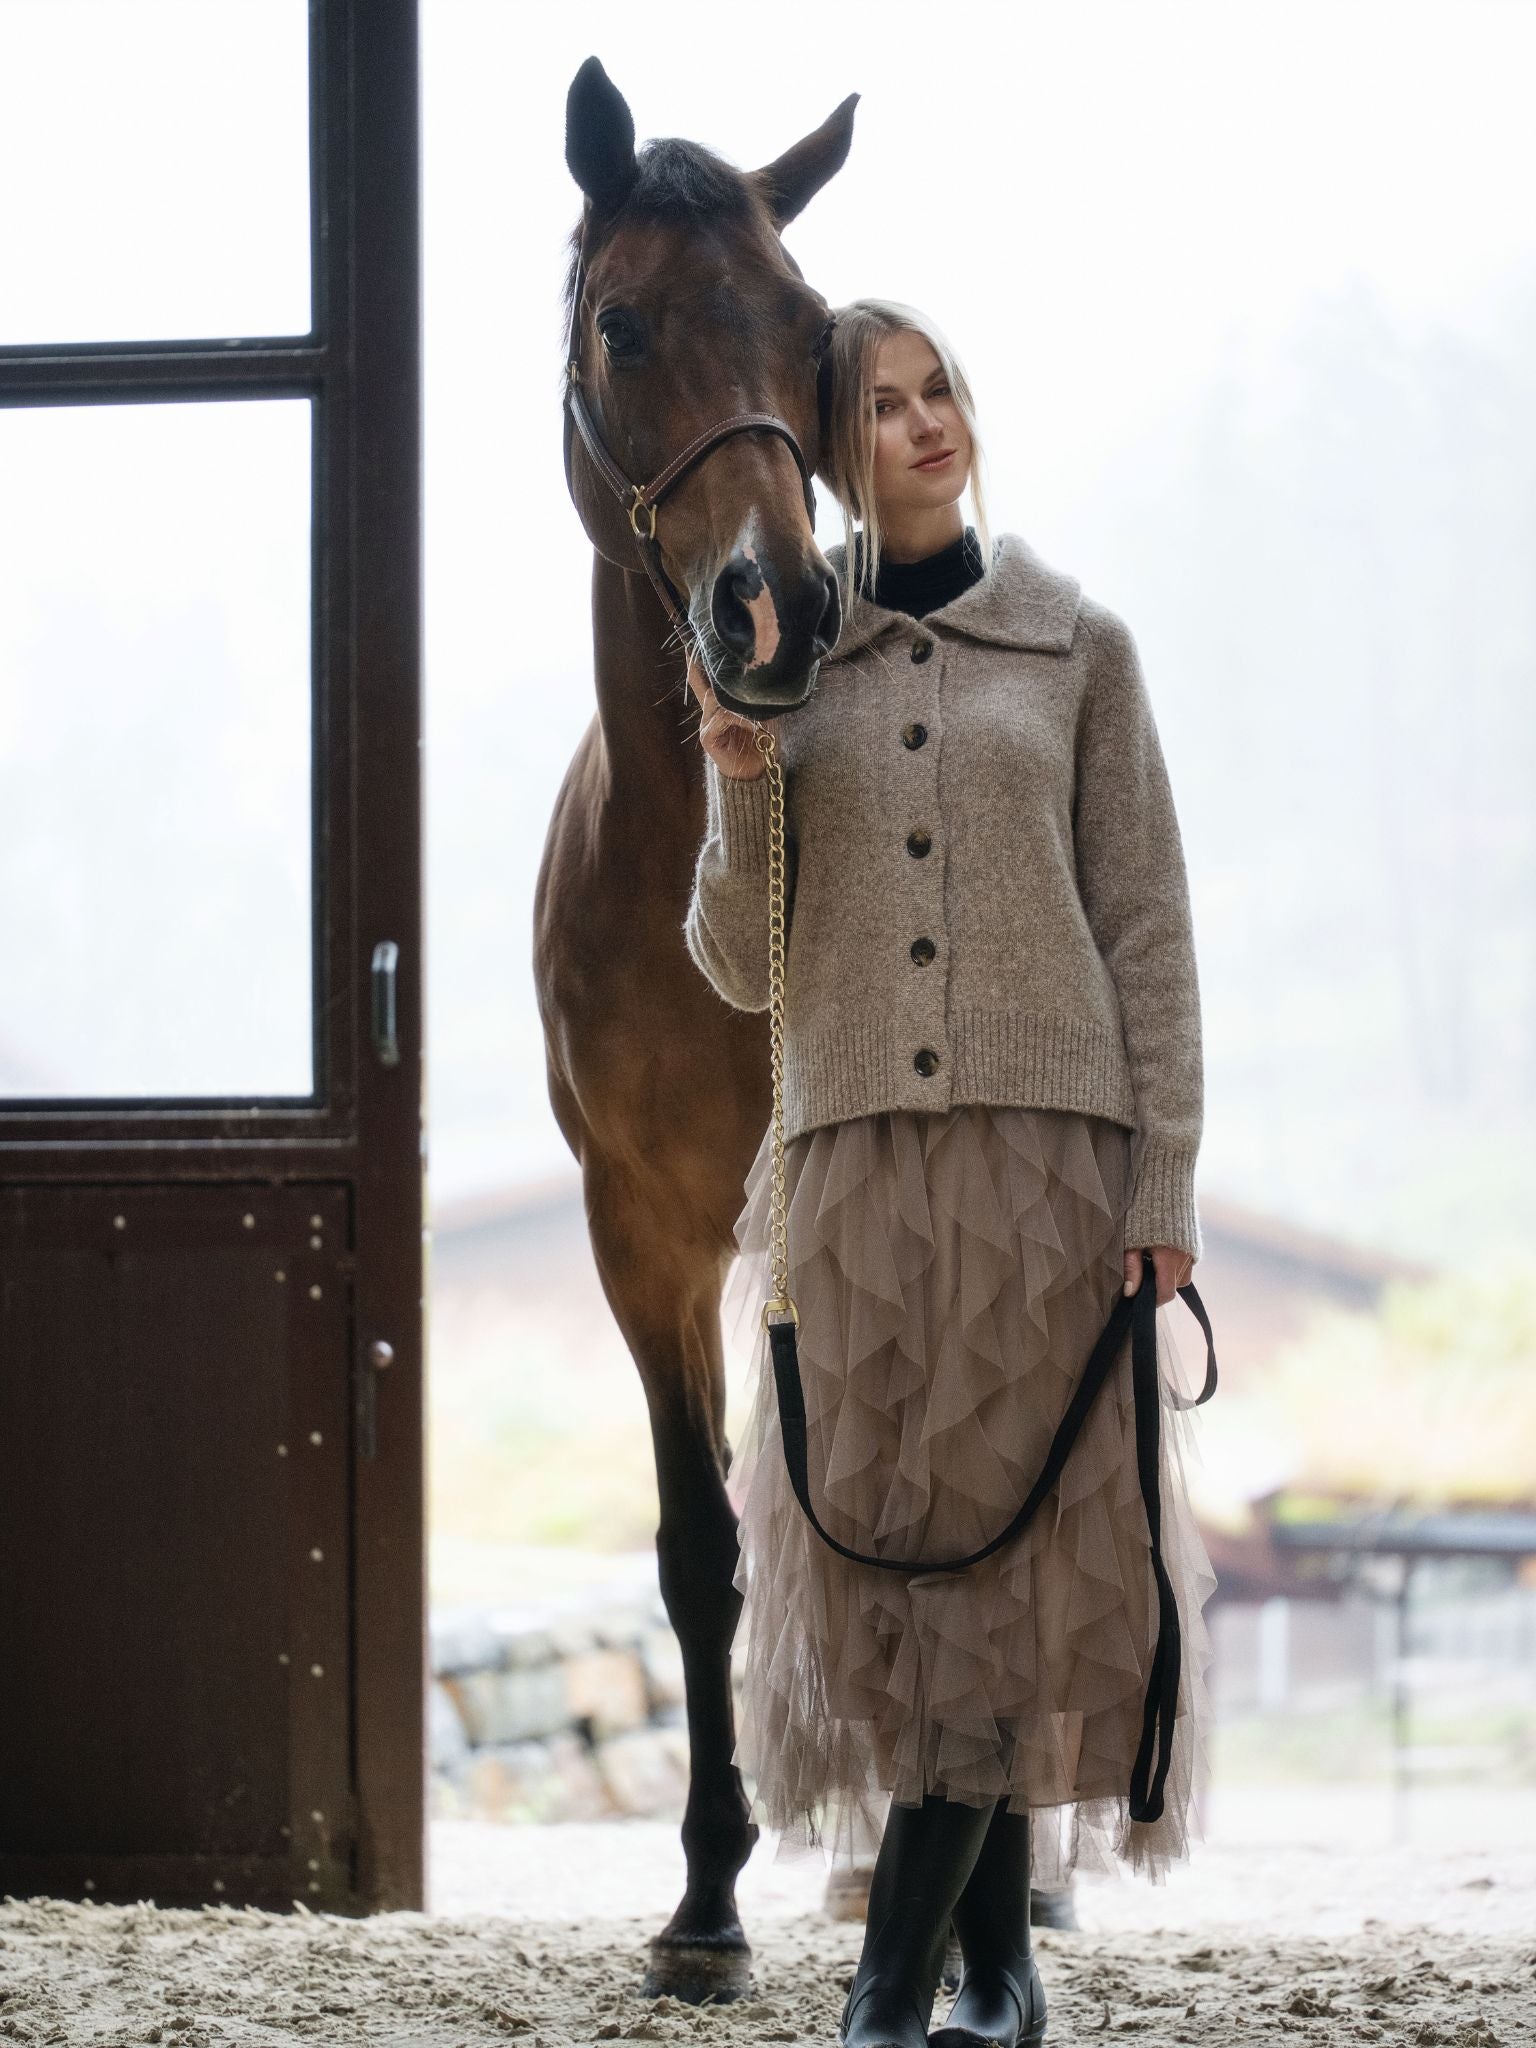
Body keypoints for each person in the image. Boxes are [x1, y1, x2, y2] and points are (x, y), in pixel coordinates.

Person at [682, 298, 1217, 2048]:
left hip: (1043, 1175)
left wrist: (1165, 1193)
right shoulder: (788, 657)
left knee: (1004, 1574)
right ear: (835, 449)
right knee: (912, 1591)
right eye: (886, 406)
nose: (925, 425)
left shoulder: (1080, 648)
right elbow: (739, 965)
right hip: (848, 1179)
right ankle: (1003, 1972)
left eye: (943, 394)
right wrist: (737, 776)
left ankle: (883, 1994)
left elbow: (1147, 936)